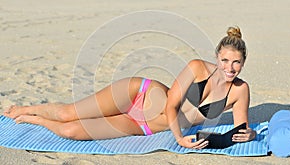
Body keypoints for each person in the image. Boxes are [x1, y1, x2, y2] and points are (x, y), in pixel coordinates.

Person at [3, 26, 256, 149]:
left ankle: (33, 120)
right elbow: (170, 104)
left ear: (243, 63)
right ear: (217, 57)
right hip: (140, 94)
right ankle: (27, 108)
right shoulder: (198, 68)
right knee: (68, 113)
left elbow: (240, 128)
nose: (230, 68)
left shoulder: (240, 91)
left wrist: (251, 135)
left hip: (141, 126)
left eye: (236, 62)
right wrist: (179, 138)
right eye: (225, 60)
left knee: (70, 132)